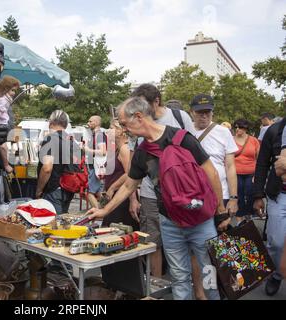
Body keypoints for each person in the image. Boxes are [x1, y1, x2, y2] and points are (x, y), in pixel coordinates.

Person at [87, 96, 229, 300]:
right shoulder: (142, 152)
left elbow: (211, 173)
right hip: (170, 221)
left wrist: (221, 212)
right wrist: (104, 211)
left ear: (138, 117)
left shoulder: (182, 138)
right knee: (179, 277)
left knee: (210, 273)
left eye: (125, 124)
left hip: (201, 219)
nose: (124, 129)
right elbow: (129, 186)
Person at [130, 83, 195, 279]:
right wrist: (134, 197)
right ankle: (156, 284)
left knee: (187, 239)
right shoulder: (138, 123)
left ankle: (190, 284)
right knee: (152, 241)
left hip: (181, 191)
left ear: (156, 101)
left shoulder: (179, 117)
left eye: (142, 105)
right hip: (150, 194)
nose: (139, 112)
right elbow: (132, 166)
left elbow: (195, 152)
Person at [190, 94, 239, 300]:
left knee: (221, 249)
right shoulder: (185, 132)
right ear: (192, 112)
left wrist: (234, 198)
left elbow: (230, 166)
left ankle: (224, 289)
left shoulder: (223, 132)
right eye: (200, 112)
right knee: (198, 250)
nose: (204, 116)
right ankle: (200, 294)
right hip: (195, 200)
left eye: (208, 112)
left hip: (222, 198)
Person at [258, 118, 286, 295]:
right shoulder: (274, 130)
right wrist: (257, 195)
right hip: (279, 195)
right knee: (276, 242)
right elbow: (262, 164)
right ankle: (276, 274)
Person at [36, 110, 78, 214]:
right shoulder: (71, 140)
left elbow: (47, 168)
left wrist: (39, 190)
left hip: (53, 190)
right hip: (68, 189)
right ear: (66, 124)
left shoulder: (50, 139)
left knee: (53, 225)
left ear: (51, 122)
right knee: (62, 224)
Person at [0, 75, 20, 175]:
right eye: (12, 90)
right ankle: (6, 165)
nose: (14, 93)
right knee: (3, 146)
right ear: (6, 88)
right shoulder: (4, 100)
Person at [233, 119, 260, 224]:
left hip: (250, 172)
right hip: (236, 172)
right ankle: (240, 215)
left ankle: (248, 213)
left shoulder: (253, 140)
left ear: (245, 128)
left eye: (239, 127)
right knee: (238, 194)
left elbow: (259, 159)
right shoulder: (230, 139)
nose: (237, 129)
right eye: (235, 127)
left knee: (250, 193)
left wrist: (257, 174)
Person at [84, 115, 107, 208]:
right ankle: (106, 210)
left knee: (89, 193)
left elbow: (103, 151)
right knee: (98, 191)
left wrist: (87, 150)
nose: (88, 123)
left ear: (97, 123)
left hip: (96, 167)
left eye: (90, 121)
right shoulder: (96, 134)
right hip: (96, 166)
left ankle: (99, 213)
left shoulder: (99, 135)